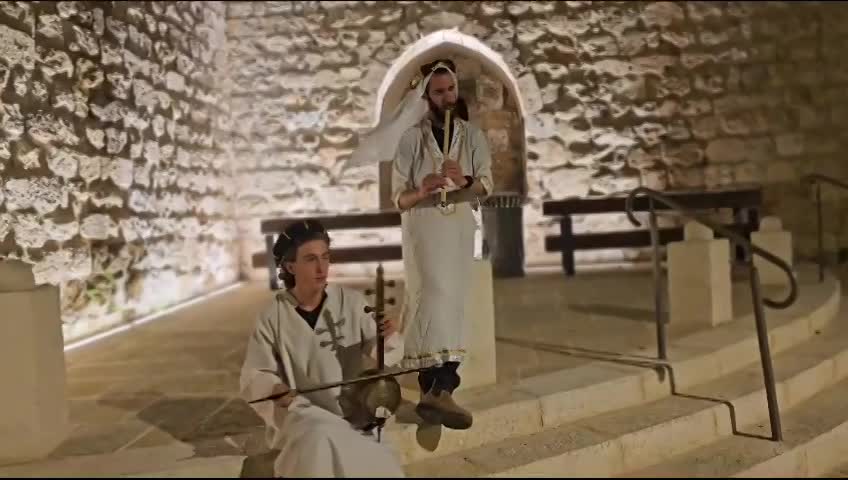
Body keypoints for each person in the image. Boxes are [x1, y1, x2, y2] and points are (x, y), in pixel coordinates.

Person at [239, 219, 406, 478]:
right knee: (319, 437)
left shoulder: (350, 302)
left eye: (325, 257)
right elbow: (255, 373)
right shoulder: (273, 316)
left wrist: (388, 336)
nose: (321, 268)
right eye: (310, 259)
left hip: (353, 412)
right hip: (302, 412)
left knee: (380, 463)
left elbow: (384, 353)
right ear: (290, 266)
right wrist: (274, 388)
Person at [391, 59, 494, 430]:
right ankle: (437, 388)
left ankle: (438, 392)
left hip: (458, 229)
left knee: (453, 303)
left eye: (451, 89)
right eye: (439, 92)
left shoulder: (473, 137)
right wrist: (422, 189)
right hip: (424, 229)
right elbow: (398, 198)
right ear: (426, 96)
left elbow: (486, 185)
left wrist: (464, 180)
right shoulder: (410, 139)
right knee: (430, 297)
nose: (448, 97)